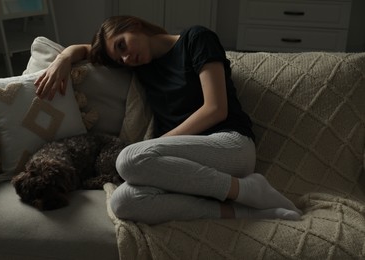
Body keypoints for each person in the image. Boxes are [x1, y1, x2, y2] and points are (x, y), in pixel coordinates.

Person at [35, 15, 302, 225]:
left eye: (123, 44)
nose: (127, 57)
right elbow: (87, 50)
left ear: (134, 24)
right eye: (121, 58)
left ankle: (250, 190)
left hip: (230, 146)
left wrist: (156, 146)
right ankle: (243, 212)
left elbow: (216, 109)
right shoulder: (143, 66)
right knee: (123, 203)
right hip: (178, 166)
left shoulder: (196, 39)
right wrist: (64, 58)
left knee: (128, 159)